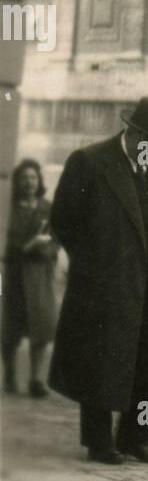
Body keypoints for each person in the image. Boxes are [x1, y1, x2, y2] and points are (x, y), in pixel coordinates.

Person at [49, 96, 148, 465]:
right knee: (103, 363)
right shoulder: (90, 161)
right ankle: (100, 442)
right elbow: (63, 220)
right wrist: (94, 263)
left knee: (147, 366)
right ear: (131, 131)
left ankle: (137, 438)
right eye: (147, 140)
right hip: (106, 283)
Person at [1, 158, 59, 397]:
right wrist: (29, 245)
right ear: (17, 181)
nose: (29, 183)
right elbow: (4, 245)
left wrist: (45, 248)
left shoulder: (47, 208)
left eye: (33, 178)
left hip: (39, 276)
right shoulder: (7, 209)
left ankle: (36, 379)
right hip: (13, 274)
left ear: (40, 181)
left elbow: (56, 239)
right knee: (10, 328)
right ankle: (10, 375)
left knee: (42, 327)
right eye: (24, 178)